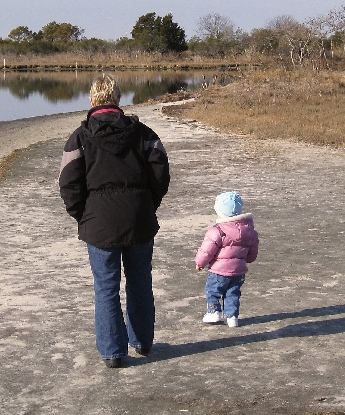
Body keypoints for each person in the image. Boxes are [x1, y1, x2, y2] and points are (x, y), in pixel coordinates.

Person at [59, 73, 170, 368]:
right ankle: (143, 342)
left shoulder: (80, 137)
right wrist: (148, 205)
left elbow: (68, 184)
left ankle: (113, 352)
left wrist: (82, 215)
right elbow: (160, 174)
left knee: (106, 287)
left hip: (100, 222)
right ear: (118, 99)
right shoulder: (144, 133)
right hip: (137, 219)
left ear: (93, 100)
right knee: (139, 281)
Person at [194, 191, 259, 327]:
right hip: (239, 270)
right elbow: (253, 249)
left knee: (213, 291)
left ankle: (213, 312)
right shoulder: (249, 230)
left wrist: (200, 263)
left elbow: (206, 250)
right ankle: (232, 316)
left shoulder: (217, 231)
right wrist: (249, 259)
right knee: (233, 293)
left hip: (219, 270)